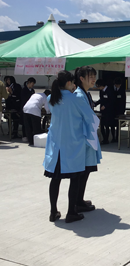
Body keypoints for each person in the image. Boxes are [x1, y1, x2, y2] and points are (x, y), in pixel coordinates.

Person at [43, 70, 100, 223]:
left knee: (55, 180)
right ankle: (71, 212)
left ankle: (53, 211)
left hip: (56, 147)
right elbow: (90, 117)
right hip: (73, 145)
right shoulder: (76, 99)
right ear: (69, 83)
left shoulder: (51, 98)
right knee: (75, 179)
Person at [74, 66, 102, 212]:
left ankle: (79, 200)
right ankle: (78, 202)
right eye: (90, 76)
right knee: (82, 172)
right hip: (84, 139)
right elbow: (88, 117)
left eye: (94, 76)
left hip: (88, 137)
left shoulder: (85, 94)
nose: (93, 79)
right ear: (81, 79)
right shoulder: (79, 95)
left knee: (85, 171)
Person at [95, 79, 115, 144]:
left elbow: (112, 101)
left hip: (109, 111)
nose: (98, 88)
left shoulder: (110, 90)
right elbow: (101, 99)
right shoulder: (101, 91)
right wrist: (95, 103)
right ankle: (104, 138)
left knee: (107, 125)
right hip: (102, 111)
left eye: (99, 86)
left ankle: (106, 139)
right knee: (102, 125)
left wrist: (105, 106)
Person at [20, 77, 36, 142]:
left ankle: (30, 135)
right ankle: (24, 135)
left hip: (31, 109)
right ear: (28, 82)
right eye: (32, 84)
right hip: (24, 108)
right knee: (24, 123)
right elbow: (23, 100)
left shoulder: (32, 91)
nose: (32, 85)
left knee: (30, 122)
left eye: (33, 84)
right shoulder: (23, 90)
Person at [112, 77, 126, 143]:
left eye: (119, 85)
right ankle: (113, 137)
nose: (118, 86)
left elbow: (124, 101)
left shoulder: (122, 90)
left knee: (118, 125)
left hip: (119, 109)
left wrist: (123, 110)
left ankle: (117, 137)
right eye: (116, 85)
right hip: (112, 109)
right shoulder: (111, 89)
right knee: (112, 124)